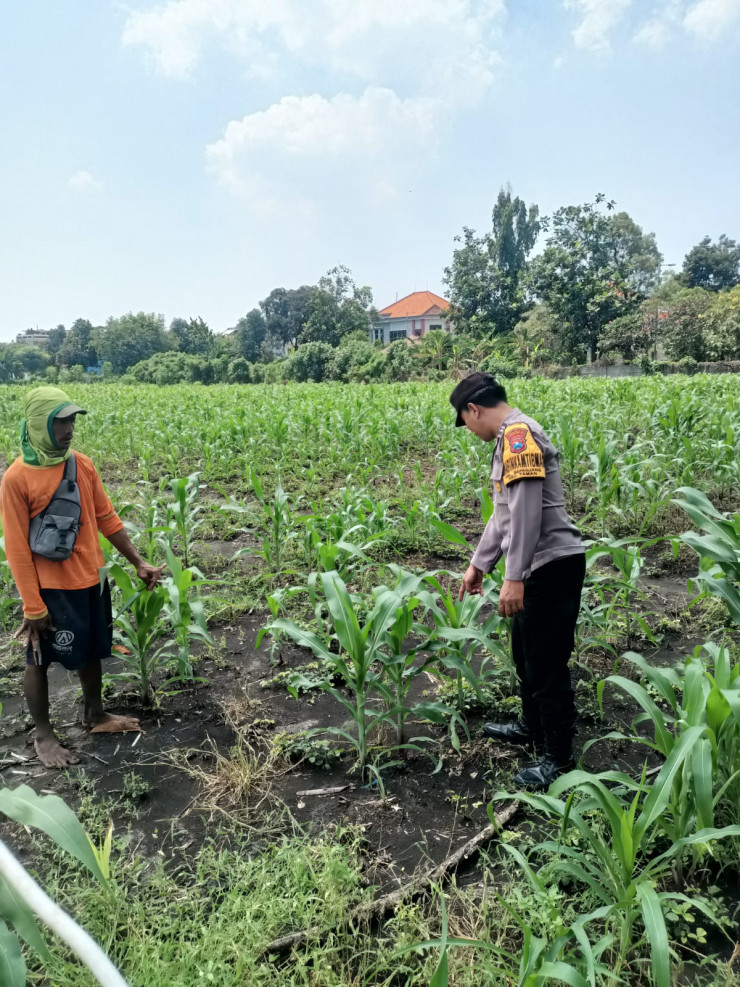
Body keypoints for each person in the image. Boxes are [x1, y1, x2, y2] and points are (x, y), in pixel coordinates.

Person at [0, 387, 163, 769]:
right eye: (60, 421)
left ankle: (95, 714)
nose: (70, 428)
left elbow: (106, 518)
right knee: (38, 659)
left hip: (93, 579)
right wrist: (32, 604)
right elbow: (17, 550)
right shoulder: (17, 479)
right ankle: (43, 735)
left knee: (91, 649)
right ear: (39, 423)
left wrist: (138, 562)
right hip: (49, 589)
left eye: (72, 420)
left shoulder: (82, 465)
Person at [450, 371, 585, 789]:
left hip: (549, 566)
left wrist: (514, 578)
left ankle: (558, 759)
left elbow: (526, 510)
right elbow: (503, 513)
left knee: (546, 665)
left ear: (474, 409)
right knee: (526, 656)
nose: (468, 430)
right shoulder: (511, 437)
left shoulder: (517, 436)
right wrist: (479, 564)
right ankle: (532, 728)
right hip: (535, 567)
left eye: (465, 420)